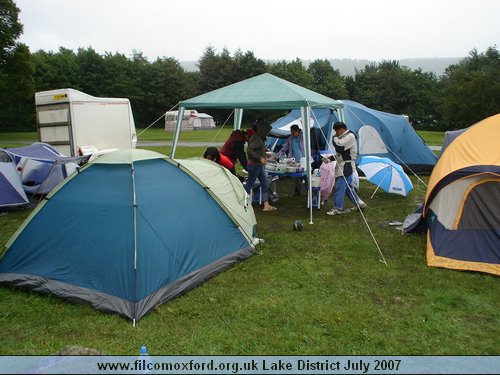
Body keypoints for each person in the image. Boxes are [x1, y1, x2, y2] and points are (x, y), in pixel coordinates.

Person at [326, 121, 366, 215]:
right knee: (347, 188)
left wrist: (334, 138)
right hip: (343, 164)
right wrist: (331, 158)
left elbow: (339, 147)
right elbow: (341, 153)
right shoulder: (344, 137)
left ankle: (338, 208)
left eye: (336, 131)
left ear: (342, 129)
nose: (336, 133)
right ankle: (360, 203)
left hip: (346, 166)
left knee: (340, 187)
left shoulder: (350, 136)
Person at [245, 120, 277, 211]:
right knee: (249, 185)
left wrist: (265, 155)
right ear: (262, 130)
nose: (267, 134)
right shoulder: (256, 138)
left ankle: (266, 205)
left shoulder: (259, 138)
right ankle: (240, 202)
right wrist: (260, 158)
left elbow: (257, 150)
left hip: (258, 165)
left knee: (265, 183)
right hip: (254, 165)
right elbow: (250, 151)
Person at [278, 124, 305, 195]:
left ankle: (309, 190)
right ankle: (298, 190)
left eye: (293, 131)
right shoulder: (290, 139)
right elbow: (284, 148)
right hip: (294, 160)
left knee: (306, 175)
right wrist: (278, 154)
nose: (291, 133)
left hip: (303, 159)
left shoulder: (304, 138)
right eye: (291, 132)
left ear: (297, 131)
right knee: (296, 176)